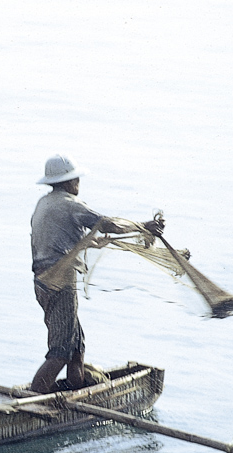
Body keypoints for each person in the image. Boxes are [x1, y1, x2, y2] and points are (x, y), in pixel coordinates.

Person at [30, 155, 163, 393]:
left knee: (76, 346)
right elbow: (108, 224)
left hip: (43, 282)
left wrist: (91, 243)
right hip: (60, 283)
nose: (78, 182)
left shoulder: (45, 203)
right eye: (75, 178)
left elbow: (56, 241)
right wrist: (144, 227)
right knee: (60, 351)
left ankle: (75, 391)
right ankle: (30, 399)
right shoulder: (70, 204)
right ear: (68, 182)